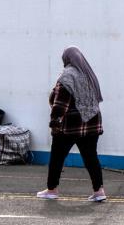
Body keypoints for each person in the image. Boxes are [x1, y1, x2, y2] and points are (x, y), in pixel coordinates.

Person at [37, 46, 106, 202]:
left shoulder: (67, 76)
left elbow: (61, 103)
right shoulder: (89, 75)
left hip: (71, 126)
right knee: (91, 158)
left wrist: (54, 122)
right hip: (92, 124)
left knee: (57, 158)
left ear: (66, 59)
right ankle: (99, 191)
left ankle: (52, 189)